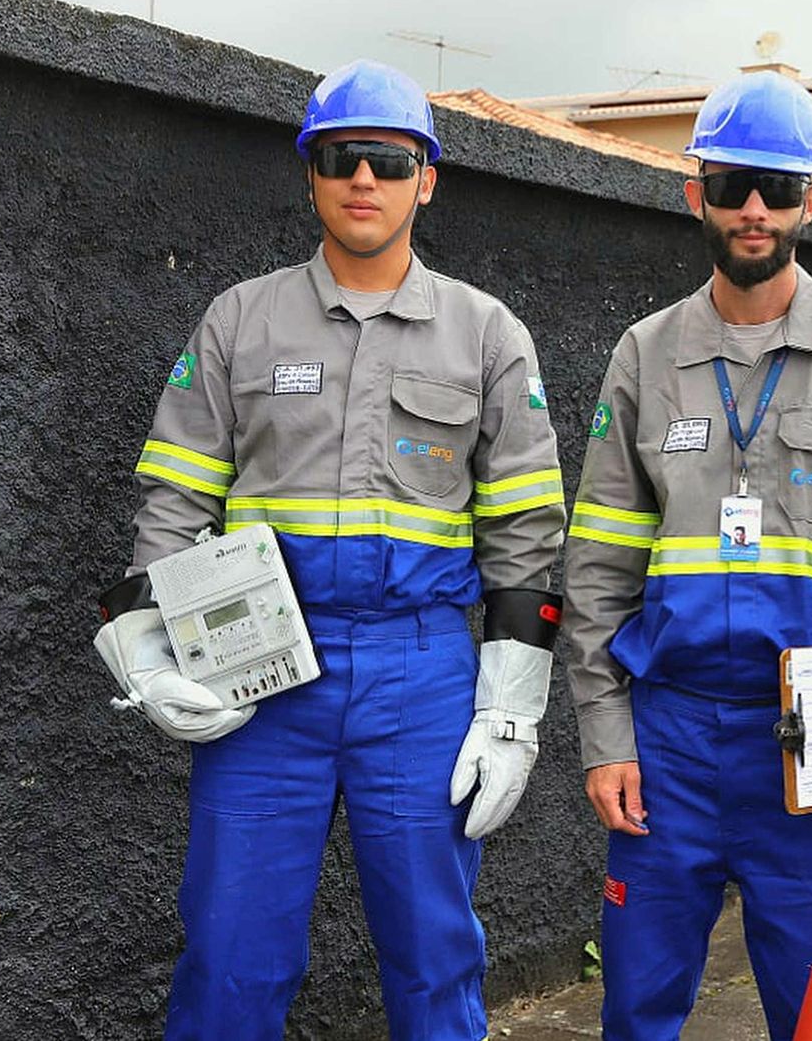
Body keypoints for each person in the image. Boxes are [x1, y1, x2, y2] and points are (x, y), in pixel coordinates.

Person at [92, 59, 567, 1040]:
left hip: (420, 674)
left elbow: (525, 538)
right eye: (343, 158)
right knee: (229, 957)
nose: (366, 181)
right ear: (311, 173)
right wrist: (146, 649)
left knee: (436, 956)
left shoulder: (486, 336)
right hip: (260, 671)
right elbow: (174, 498)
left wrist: (512, 711)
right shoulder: (240, 320)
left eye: (389, 163)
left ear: (426, 179)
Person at [562, 70, 812, 1039]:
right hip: (668, 741)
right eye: (733, 184)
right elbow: (598, 570)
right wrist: (606, 739)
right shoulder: (643, 356)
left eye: (779, 187)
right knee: (636, 1007)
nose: (756, 208)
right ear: (698, 193)